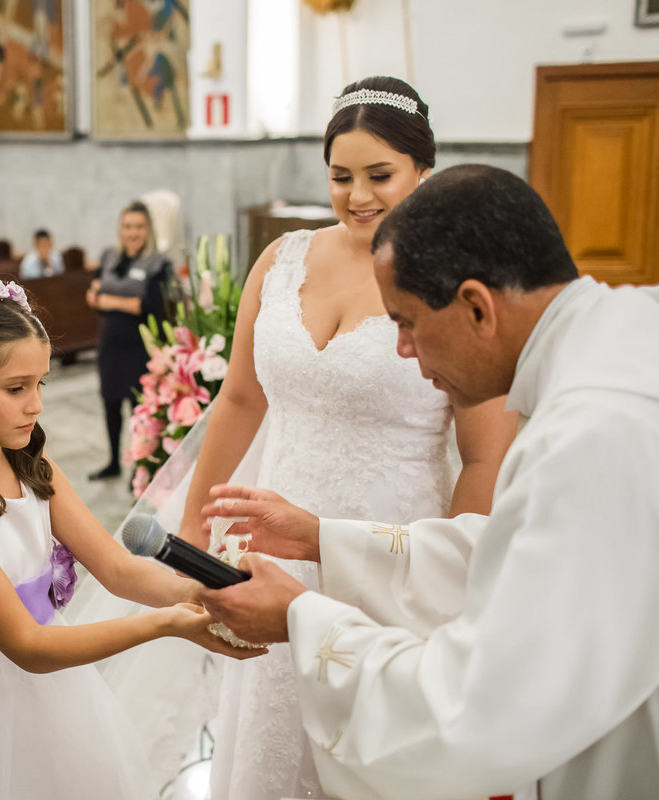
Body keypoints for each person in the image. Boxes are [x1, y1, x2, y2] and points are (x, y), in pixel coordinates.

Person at [197, 163, 659, 800]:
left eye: (406, 322)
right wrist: (326, 539)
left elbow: (479, 708)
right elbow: (510, 552)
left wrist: (302, 618)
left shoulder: (588, 433)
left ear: (476, 306)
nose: (404, 351)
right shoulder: (627, 330)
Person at [172, 76, 517, 800]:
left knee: (367, 748)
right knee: (273, 735)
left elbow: (485, 454)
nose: (357, 196)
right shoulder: (283, 260)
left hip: (388, 549)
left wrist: (447, 582)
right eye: (340, 176)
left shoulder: (459, 280)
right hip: (273, 543)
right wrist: (193, 517)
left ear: (424, 171)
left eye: (379, 175)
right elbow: (240, 395)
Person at [0, 279, 260, 799]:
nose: (36, 404)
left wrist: (204, 595)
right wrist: (166, 625)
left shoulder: (26, 462)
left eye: (41, 383)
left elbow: (116, 567)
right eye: (16, 388)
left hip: (52, 690)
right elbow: (27, 644)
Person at [86, 200, 172, 480]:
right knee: (110, 403)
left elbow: (147, 305)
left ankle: (141, 467)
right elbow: (93, 296)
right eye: (127, 226)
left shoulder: (159, 262)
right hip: (110, 344)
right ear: (120, 229)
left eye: (138, 226)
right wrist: (114, 301)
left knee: (140, 410)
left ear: (148, 229)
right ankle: (113, 462)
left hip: (140, 348)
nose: (133, 232)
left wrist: (107, 299)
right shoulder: (110, 256)